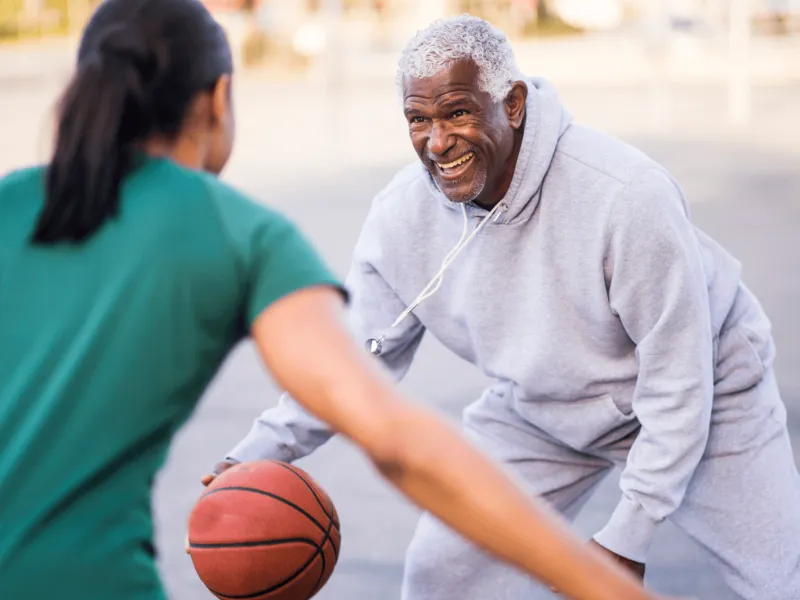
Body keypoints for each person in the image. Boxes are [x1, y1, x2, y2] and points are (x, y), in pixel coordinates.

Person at [0, 2, 676, 600]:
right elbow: (391, 436)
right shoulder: (237, 234)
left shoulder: (9, 205)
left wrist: (251, 454)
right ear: (218, 99)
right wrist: (601, 586)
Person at [212, 14, 800, 600]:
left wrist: (628, 534)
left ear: (512, 104)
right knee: (444, 573)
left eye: (457, 112)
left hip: (709, 393)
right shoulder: (402, 220)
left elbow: (680, 379)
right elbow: (352, 364)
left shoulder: (625, 196)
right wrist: (253, 457)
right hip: (542, 411)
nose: (437, 142)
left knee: (779, 580)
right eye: (418, 120)